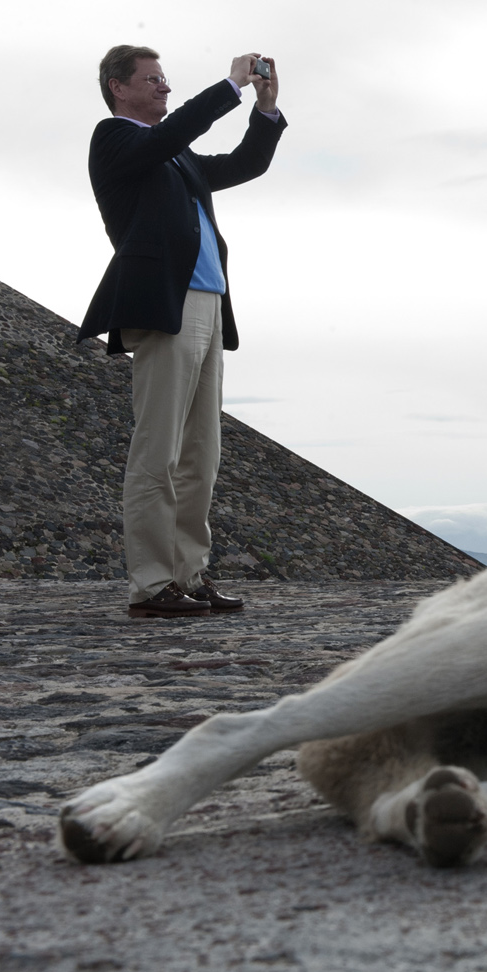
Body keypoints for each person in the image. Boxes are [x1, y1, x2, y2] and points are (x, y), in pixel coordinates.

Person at [77, 46, 287, 618]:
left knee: (202, 453)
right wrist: (229, 86)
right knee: (158, 450)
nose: (165, 88)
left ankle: (189, 575)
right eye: (154, 79)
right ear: (120, 88)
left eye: (167, 79)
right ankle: (150, 584)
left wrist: (265, 108)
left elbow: (244, 165)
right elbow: (168, 137)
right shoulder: (115, 138)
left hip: (209, 304)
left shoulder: (177, 157)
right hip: (165, 306)